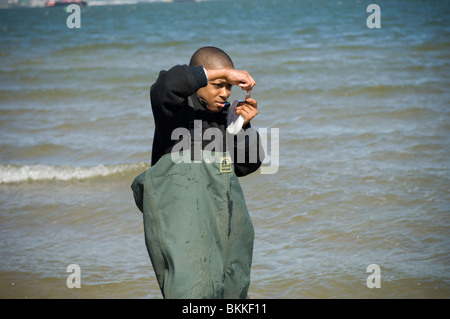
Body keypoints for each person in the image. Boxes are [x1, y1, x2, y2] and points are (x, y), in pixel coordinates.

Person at [131, 46, 264, 299]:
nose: (225, 93)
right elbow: (165, 85)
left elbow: (248, 165)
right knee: (189, 290)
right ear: (200, 80)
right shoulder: (174, 112)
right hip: (183, 224)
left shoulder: (227, 117)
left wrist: (243, 128)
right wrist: (223, 72)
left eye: (229, 87)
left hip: (222, 219)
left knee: (231, 291)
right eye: (218, 85)